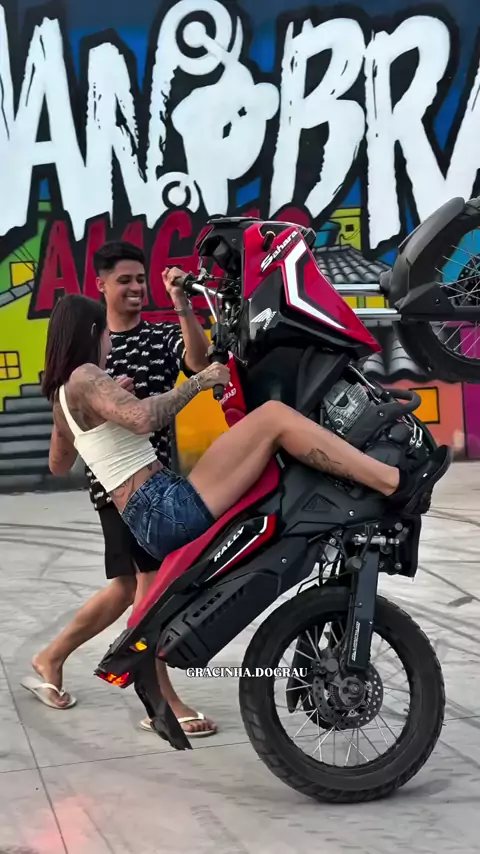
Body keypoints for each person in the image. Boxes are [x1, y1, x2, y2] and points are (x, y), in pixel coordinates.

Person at [41, 279, 450, 620]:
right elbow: (144, 418)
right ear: (92, 333)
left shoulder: (61, 399)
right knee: (273, 419)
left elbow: (59, 463)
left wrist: (108, 410)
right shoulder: (86, 375)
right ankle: (395, 482)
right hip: (163, 507)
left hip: (147, 516)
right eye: (106, 335)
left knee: (268, 435)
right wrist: (198, 382)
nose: (110, 344)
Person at [23, 243, 218, 738]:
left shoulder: (157, 337)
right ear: (102, 286)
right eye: (124, 279)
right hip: (119, 490)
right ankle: (160, 700)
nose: (135, 287)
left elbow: (198, 363)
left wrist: (181, 303)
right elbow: (70, 446)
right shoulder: (87, 362)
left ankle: (51, 656)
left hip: (159, 480)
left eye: (140, 278)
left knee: (128, 589)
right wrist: (103, 410)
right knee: (150, 590)